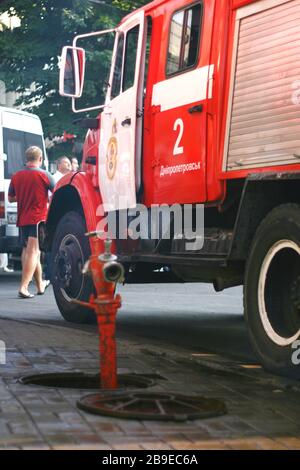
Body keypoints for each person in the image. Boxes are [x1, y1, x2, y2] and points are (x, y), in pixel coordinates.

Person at [8, 146, 55, 299]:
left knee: (29, 251)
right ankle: (24, 287)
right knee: (34, 252)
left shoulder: (16, 176)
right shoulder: (45, 175)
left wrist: (23, 196)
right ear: (40, 159)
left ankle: (40, 284)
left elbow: (11, 198)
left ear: (26, 158)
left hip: (22, 218)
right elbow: (56, 193)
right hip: (38, 218)